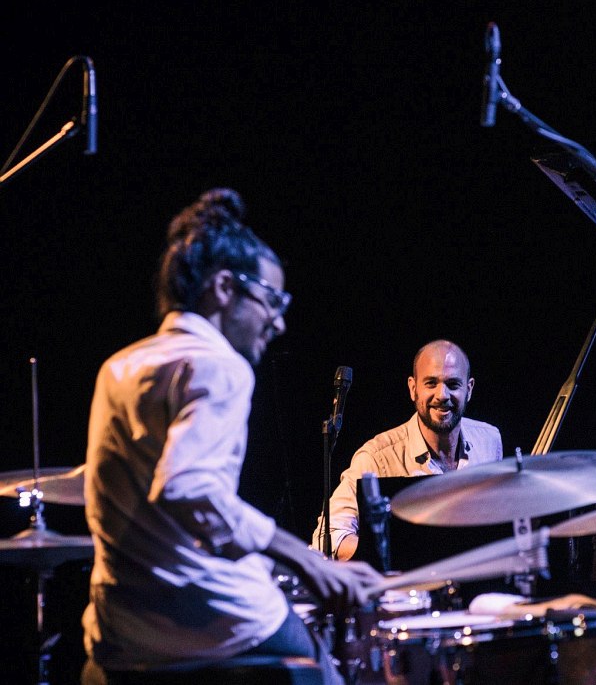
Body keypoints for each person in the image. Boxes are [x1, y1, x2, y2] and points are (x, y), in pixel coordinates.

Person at [81, 189, 382, 685]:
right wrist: (306, 560)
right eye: (271, 300)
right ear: (224, 288)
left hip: (121, 631)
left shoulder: (121, 366)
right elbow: (188, 489)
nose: (279, 322)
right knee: (330, 669)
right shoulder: (221, 366)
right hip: (210, 621)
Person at [313, 339, 503, 561]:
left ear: (469, 389)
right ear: (413, 389)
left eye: (453, 384)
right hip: (409, 589)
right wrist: (388, 552)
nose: (442, 395)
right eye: (431, 383)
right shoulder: (376, 457)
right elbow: (327, 537)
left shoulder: (490, 440)